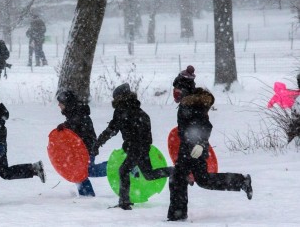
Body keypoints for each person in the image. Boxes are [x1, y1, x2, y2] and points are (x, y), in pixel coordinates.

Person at [167, 65, 253, 221]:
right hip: (187, 149)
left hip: (195, 149)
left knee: (189, 179)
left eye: (178, 90)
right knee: (191, 179)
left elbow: (206, 126)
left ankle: (177, 215)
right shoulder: (186, 104)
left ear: (184, 90)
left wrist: (200, 144)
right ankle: (177, 216)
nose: (176, 93)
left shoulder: (193, 105)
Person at [96, 83, 173, 210]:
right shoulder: (140, 112)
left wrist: (98, 143)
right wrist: (143, 147)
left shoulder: (122, 111)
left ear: (119, 98)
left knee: (124, 170)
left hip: (135, 148)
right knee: (149, 174)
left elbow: (111, 130)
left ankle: (124, 202)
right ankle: (176, 171)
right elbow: (147, 135)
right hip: (142, 148)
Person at [56, 90, 107, 197]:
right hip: (80, 149)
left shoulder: (78, 112)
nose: (59, 105)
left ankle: (117, 166)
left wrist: (65, 126)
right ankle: (86, 196)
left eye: (60, 103)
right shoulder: (74, 112)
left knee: (85, 171)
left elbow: (75, 124)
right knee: (80, 171)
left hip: (87, 148)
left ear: (67, 103)